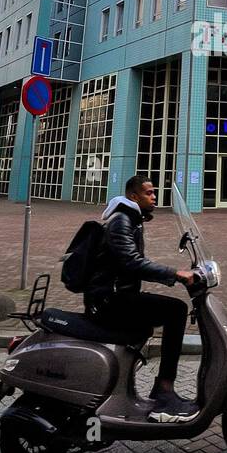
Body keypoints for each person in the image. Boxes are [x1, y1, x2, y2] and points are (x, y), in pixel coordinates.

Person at [87, 174, 198, 423]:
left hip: (118, 296)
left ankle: (129, 386)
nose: (154, 197)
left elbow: (129, 265)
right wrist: (175, 274)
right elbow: (131, 261)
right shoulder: (122, 221)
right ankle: (164, 391)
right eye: (149, 193)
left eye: (154, 192)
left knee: (159, 315)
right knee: (176, 311)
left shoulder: (131, 219)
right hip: (110, 300)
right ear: (134, 196)